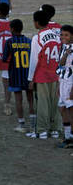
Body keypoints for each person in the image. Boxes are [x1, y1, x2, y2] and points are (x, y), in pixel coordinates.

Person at [27, 9, 62, 139]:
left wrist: (31, 79)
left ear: (36, 23)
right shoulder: (57, 36)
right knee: (54, 101)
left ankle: (42, 130)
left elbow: (34, 60)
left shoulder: (37, 38)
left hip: (42, 75)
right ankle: (55, 129)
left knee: (42, 103)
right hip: (56, 74)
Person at [3, 19, 34, 133]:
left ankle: (21, 124)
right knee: (31, 100)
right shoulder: (29, 41)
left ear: (11, 29)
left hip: (15, 75)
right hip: (28, 75)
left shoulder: (9, 42)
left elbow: (5, 58)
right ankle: (33, 125)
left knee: (18, 100)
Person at [57, 25, 73, 148]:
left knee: (70, 110)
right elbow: (61, 64)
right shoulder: (64, 47)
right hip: (63, 81)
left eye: (66, 35)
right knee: (62, 108)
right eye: (62, 34)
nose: (63, 37)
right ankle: (68, 137)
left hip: (70, 83)